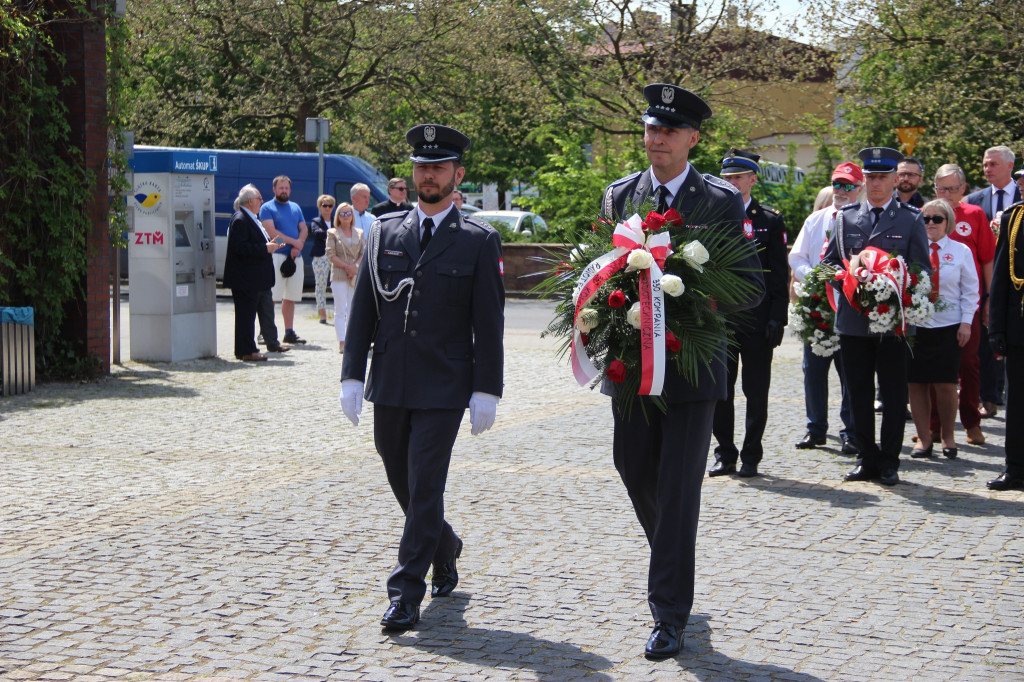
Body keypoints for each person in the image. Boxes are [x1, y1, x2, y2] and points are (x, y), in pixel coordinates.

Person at [600, 83, 764, 660]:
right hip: (632, 371)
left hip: (694, 370)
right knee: (632, 467)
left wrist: (689, 297)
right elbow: (596, 271)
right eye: (650, 128)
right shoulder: (619, 195)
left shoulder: (720, 201)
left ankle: (668, 612)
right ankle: (671, 556)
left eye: (668, 131)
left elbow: (750, 287)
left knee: (678, 488)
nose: (656, 139)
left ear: (692, 138)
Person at [339, 123, 504, 632]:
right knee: (399, 475)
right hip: (391, 376)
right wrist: (351, 376)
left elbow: (488, 321)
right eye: (420, 166)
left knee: (426, 480)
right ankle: (445, 543)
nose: (427, 175)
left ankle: (405, 592)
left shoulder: (477, 239)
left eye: (438, 167)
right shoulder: (384, 232)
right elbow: (365, 308)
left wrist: (486, 388)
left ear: (457, 175)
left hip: (445, 382)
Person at [822, 146, 929, 487]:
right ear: (863, 180)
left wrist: (891, 284)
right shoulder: (846, 217)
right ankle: (866, 457)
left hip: (893, 321)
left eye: (883, 177)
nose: (876, 183)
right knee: (858, 392)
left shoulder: (911, 219)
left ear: (896, 180)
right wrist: (848, 279)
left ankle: (889, 460)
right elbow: (828, 264)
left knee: (895, 394)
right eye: (871, 177)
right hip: (854, 320)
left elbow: (922, 270)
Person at [709, 148, 789, 478]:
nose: (731, 182)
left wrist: (777, 318)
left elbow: (779, 274)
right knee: (719, 391)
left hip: (757, 320)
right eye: (726, 178)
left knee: (756, 391)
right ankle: (724, 453)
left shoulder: (768, 220)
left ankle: (751, 455)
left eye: (737, 177)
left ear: (752, 179)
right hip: (722, 320)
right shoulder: (711, 215)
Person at [788, 163, 863, 455]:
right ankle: (815, 428)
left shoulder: (864, 219)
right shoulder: (816, 219)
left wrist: (843, 279)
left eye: (848, 186)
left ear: (859, 188)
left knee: (850, 373)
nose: (841, 191)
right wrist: (818, 277)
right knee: (813, 370)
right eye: (837, 184)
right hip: (817, 303)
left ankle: (851, 430)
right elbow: (797, 257)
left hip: (850, 304)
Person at [908, 199, 979, 460]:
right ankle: (924, 439)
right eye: (926, 219)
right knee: (916, 383)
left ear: (947, 222)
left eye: (937, 219)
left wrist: (966, 323)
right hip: (917, 325)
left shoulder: (961, 251)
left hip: (949, 325)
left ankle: (948, 437)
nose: (930, 223)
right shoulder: (913, 249)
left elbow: (971, 290)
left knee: (946, 384)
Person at [929, 164, 995, 445]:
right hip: (931, 311)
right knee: (933, 370)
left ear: (964, 189)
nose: (947, 193)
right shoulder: (927, 215)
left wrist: (990, 299)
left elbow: (988, 259)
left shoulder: (975, 214)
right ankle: (934, 427)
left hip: (968, 305)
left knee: (969, 364)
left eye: (953, 188)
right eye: (942, 188)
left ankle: (971, 422)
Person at [966, 146, 1020, 418]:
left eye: (993, 165)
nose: (987, 169)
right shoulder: (974, 200)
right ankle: (988, 395)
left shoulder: (1022, 194)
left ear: (1010, 166)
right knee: (985, 340)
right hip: (984, 278)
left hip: (1017, 280)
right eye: (985, 164)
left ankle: (1006, 393)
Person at [222, 184, 287, 362]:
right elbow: (240, 247)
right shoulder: (241, 219)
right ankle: (246, 350)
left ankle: (247, 349)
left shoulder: (252, 218)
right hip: (245, 278)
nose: (261, 202)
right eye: (259, 199)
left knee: (249, 315)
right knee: (245, 316)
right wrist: (264, 248)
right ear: (250, 201)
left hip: (254, 278)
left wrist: (270, 244)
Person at [987, 200, 1024, 490]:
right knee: (1018, 403)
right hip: (1019, 325)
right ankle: (1015, 468)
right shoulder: (1015, 217)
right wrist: (996, 327)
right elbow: (1001, 274)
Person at [260, 175, 308, 345]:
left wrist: (299, 244)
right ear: (274, 189)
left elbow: (303, 228)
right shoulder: (267, 207)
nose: (284, 191)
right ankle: (265, 332)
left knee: (291, 297)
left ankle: (289, 332)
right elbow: (272, 233)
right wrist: (294, 242)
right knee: (272, 296)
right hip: (276, 255)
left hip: (295, 256)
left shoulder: (295, 207)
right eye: (281, 188)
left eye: (286, 188)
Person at [325, 201, 364, 354]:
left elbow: (363, 252)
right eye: (343, 213)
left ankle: (352, 339)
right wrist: (347, 267)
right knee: (341, 309)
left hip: (354, 274)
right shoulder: (332, 233)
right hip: (340, 274)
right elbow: (330, 254)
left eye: (349, 213)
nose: (346, 216)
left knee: (353, 309)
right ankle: (342, 341)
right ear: (338, 217)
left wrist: (354, 267)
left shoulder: (359, 232)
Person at [309, 194, 335, 325]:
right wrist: (332, 233)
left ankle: (340, 312)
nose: (327, 208)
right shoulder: (316, 221)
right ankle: (323, 314)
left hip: (336, 255)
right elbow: (316, 233)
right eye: (324, 205)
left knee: (337, 284)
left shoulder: (337, 220)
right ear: (320, 206)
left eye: (330, 205)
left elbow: (341, 233)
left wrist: (326, 234)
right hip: (321, 256)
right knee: (321, 284)